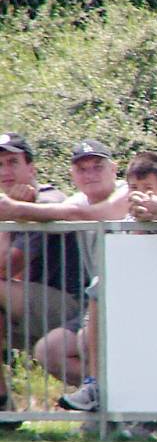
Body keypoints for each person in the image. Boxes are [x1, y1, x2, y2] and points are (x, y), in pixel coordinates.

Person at [0, 139, 129, 411]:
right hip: (93, 302)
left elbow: (94, 214)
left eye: (98, 166)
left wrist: (15, 210)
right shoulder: (74, 200)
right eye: (82, 169)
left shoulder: (127, 191)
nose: (90, 174)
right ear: (73, 175)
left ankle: (138, 396)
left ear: (114, 169)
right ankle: (122, 399)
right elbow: (71, 211)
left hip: (133, 299)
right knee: (50, 351)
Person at [0, 133, 82, 419]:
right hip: (39, 305)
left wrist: (9, 218)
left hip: (75, 307)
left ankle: (122, 391)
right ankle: (3, 407)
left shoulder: (44, 201)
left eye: (12, 162)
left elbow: (6, 266)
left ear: (31, 169)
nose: (5, 171)